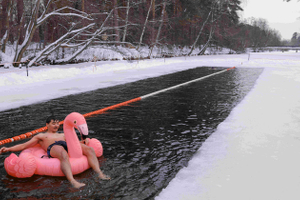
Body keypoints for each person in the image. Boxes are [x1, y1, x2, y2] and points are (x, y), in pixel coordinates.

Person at [0, 116, 110, 189]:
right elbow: (24, 145)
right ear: (47, 125)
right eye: (53, 123)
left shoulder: (63, 134)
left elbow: (74, 143)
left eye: (57, 123)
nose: (56, 125)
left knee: (90, 149)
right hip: (54, 147)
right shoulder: (42, 136)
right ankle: (72, 181)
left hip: (66, 144)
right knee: (63, 153)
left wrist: (84, 141)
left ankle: (99, 173)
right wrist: (8, 149)